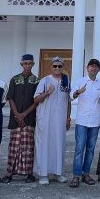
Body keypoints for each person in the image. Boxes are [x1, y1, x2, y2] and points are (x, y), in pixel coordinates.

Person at [2, 54, 40, 183]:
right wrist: (17, 114)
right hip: (15, 118)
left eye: (30, 63)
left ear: (33, 64)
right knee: (14, 145)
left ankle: (28, 173)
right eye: (25, 63)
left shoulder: (36, 80)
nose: (27, 65)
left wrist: (24, 114)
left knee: (28, 147)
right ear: (21, 64)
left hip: (29, 118)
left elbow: (36, 101)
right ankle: (10, 172)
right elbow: (10, 98)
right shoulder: (14, 79)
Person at [33, 56, 71, 184]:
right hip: (46, 118)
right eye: (55, 66)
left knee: (59, 145)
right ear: (51, 67)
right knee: (44, 145)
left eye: (59, 66)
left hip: (60, 120)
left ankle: (58, 173)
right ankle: (43, 174)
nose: (57, 68)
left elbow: (68, 101)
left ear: (62, 67)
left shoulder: (66, 81)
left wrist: (68, 118)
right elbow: (36, 99)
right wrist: (47, 93)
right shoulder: (45, 80)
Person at [69, 58, 100, 187]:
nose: (93, 68)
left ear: (99, 69)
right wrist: (78, 92)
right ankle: (76, 175)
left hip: (95, 120)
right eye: (91, 66)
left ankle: (86, 174)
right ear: (87, 68)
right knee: (79, 148)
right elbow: (71, 97)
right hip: (82, 121)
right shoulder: (80, 81)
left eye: (96, 66)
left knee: (90, 149)